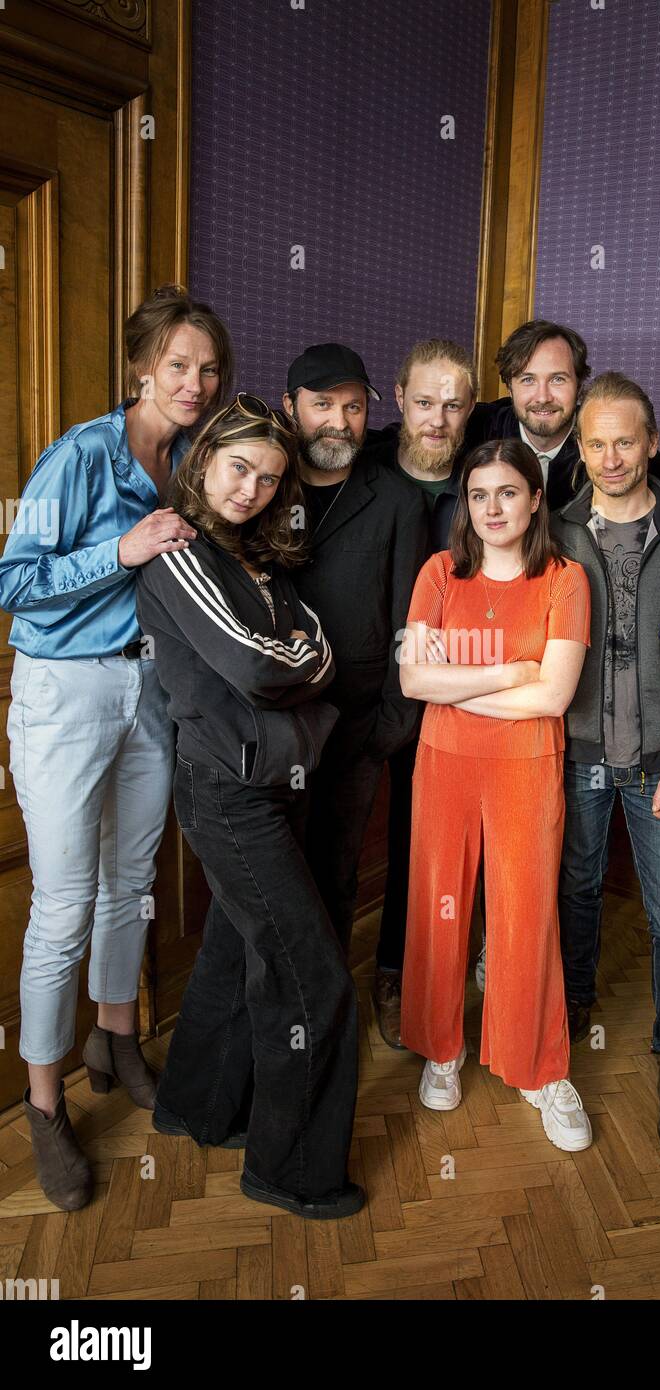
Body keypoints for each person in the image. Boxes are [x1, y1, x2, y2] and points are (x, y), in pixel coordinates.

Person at [0, 284, 232, 1212]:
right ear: (142, 367)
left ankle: (116, 1039)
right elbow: (14, 581)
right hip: (65, 692)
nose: (195, 381)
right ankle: (44, 1103)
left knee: (131, 882)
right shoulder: (81, 455)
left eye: (209, 367)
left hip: (149, 689)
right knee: (63, 905)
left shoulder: (192, 460)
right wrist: (122, 552)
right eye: (178, 364)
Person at [136, 394, 363, 1220]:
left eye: (269, 478)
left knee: (237, 955)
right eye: (240, 469)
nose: (253, 489)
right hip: (228, 794)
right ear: (204, 462)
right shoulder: (179, 551)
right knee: (313, 977)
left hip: (274, 782)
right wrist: (298, 663)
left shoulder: (256, 561)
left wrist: (297, 660)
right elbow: (262, 665)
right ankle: (291, 1169)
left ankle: (194, 1106)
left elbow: (319, 646)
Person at [399, 439, 593, 1152]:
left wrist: (468, 682)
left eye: (508, 492)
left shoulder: (566, 579)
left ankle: (539, 1067)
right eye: (478, 495)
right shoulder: (439, 574)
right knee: (438, 903)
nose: (492, 509)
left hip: (527, 766)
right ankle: (441, 1048)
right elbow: (415, 683)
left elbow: (558, 695)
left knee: (524, 914)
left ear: (536, 498)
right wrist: (513, 673)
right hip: (444, 764)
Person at [552, 372, 660, 1159]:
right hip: (577, 756)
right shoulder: (554, 531)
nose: (611, 456)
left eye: (625, 440)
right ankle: (572, 1007)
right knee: (575, 893)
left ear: (651, 442)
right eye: (596, 443)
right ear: (580, 451)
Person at [282, 344, 429, 962]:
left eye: (352, 407)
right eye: (322, 405)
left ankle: (327, 1023)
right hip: (274, 722)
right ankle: (280, 1014)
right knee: (279, 881)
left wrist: (391, 726)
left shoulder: (397, 500)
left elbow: (411, 623)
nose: (339, 422)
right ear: (290, 408)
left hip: (357, 724)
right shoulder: (262, 482)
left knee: (337, 874)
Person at [360, 339, 477, 1045]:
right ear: (399, 397)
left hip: (445, 689)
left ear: (470, 412)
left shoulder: (483, 478)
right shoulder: (362, 465)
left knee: (418, 839)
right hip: (354, 680)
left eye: (453, 404)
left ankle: (397, 971)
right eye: (425, 401)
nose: (437, 418)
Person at [464, 319, 660, 512]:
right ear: (509, 386)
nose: (542, 397)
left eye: (557, 379)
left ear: (579, 385)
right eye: (528, 379)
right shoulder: (480, 425)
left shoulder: (603, 437)